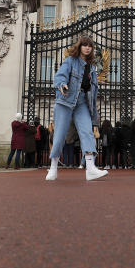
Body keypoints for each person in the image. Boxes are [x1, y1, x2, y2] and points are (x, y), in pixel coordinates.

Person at [45, 36, 108, 181]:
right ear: (79, 47)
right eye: (84, 45)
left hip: (81, 103)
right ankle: (53, 167)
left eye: (90, 46)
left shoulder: (92, 68)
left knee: (87, 132)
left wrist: (94, 117)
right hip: (65, 100)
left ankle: (91, 169)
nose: (87, 48)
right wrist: (61, 84)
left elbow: (92, 94)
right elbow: (60, 75)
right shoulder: (70, 61)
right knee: (60, 135)